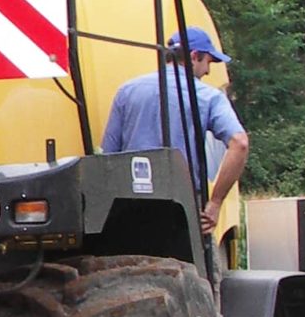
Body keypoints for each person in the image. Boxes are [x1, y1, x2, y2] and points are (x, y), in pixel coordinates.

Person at [99, 27, 249, 242]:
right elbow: (240, 143)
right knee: (198, 273)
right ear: (194, 56)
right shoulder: (207, 97)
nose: (208, 71)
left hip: (129, 206)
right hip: (181, 207)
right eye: (208, 61)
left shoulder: (127, 90)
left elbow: (108, 157)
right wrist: (215, 203)